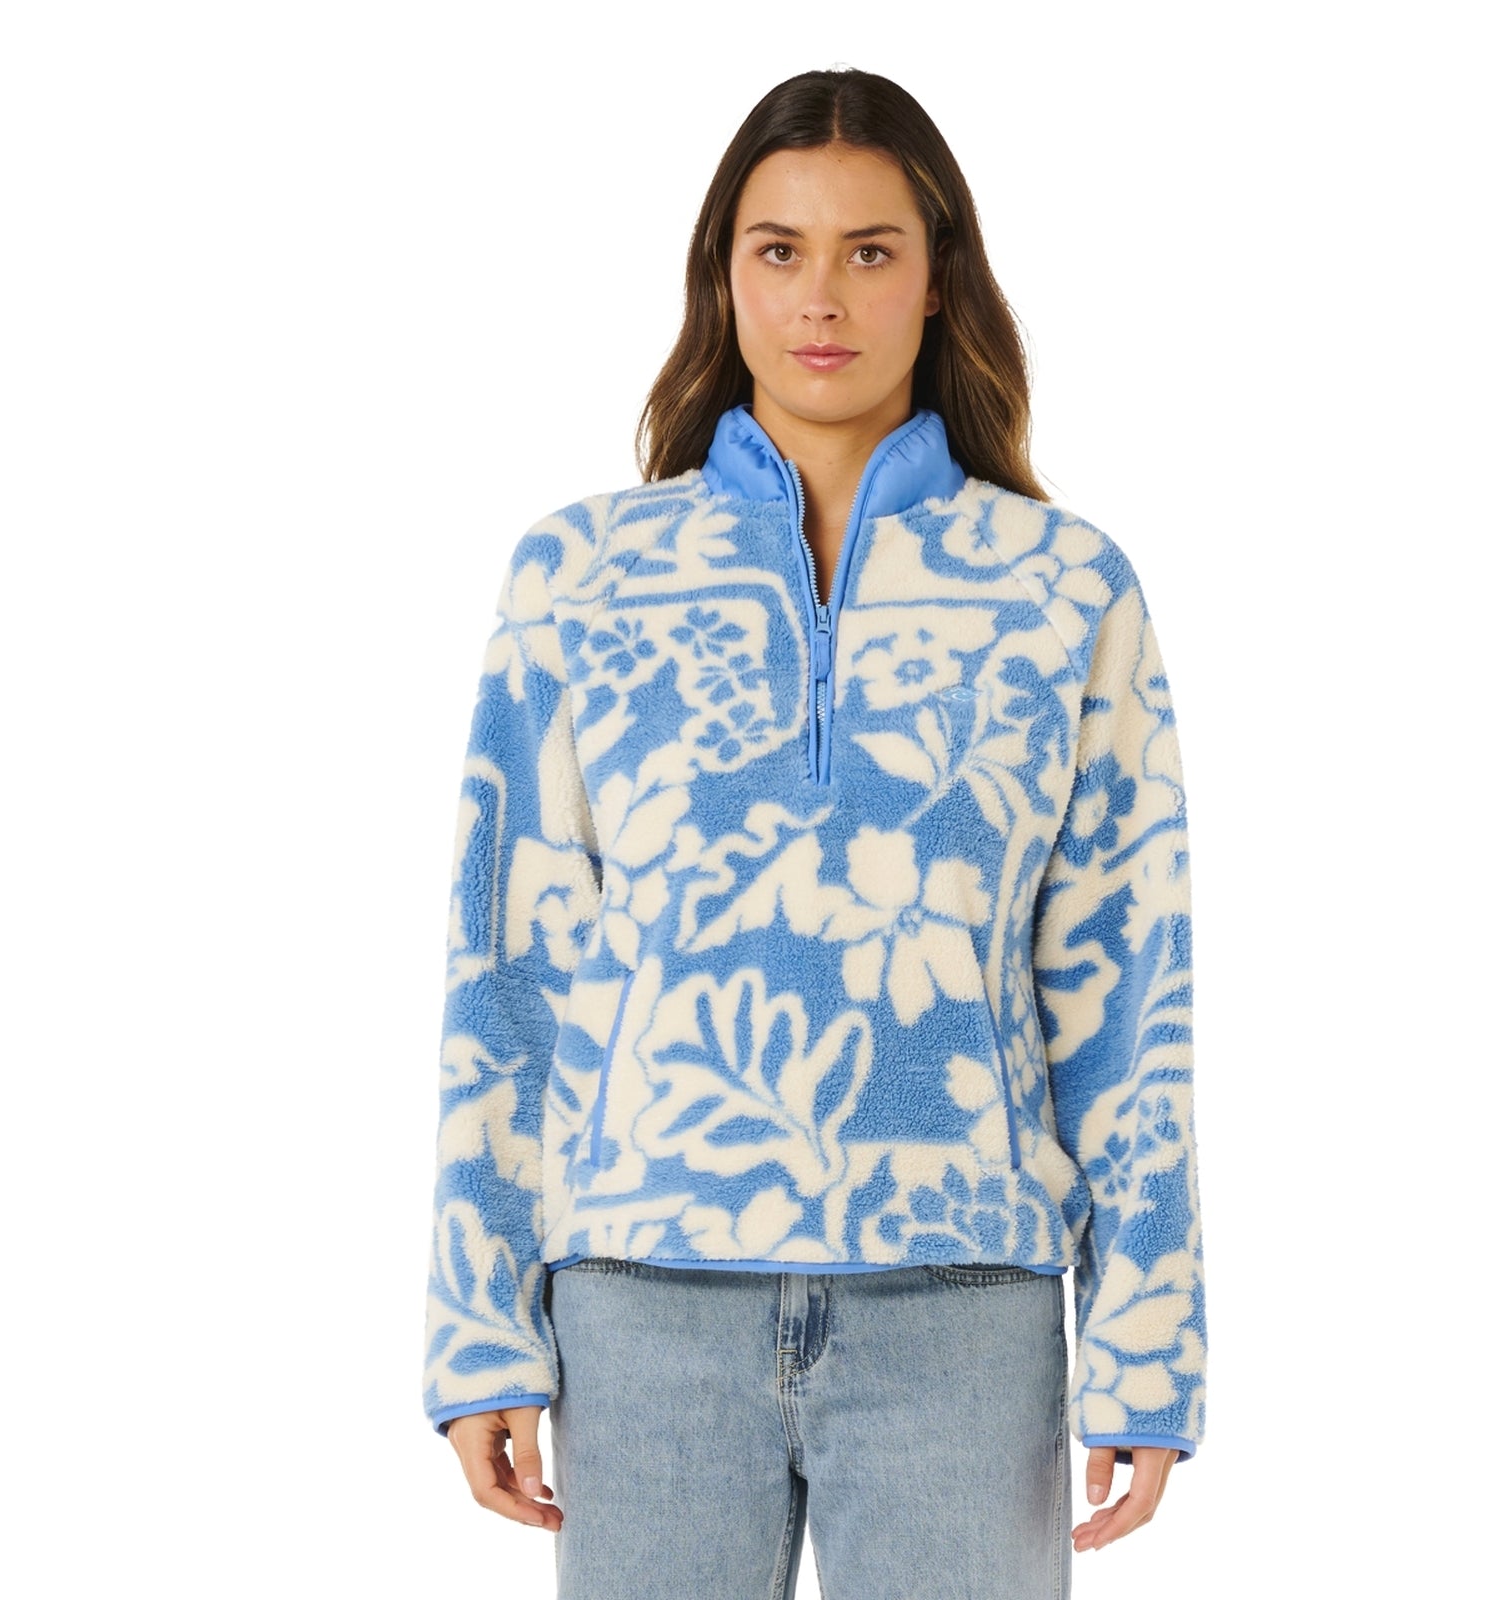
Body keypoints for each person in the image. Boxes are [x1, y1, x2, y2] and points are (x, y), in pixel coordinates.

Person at [421, 66, 1207, 1599]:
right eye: (779, 249)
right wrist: (478, 1324)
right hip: (641, 1307)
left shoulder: (1065, 589)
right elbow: (507, 972)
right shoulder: (579, 577)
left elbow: (1131, 993)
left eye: (871, 250)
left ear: (939, 279)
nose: (822, 297)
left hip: (964, 1313)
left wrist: (1147, 1339)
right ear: (724, 277)